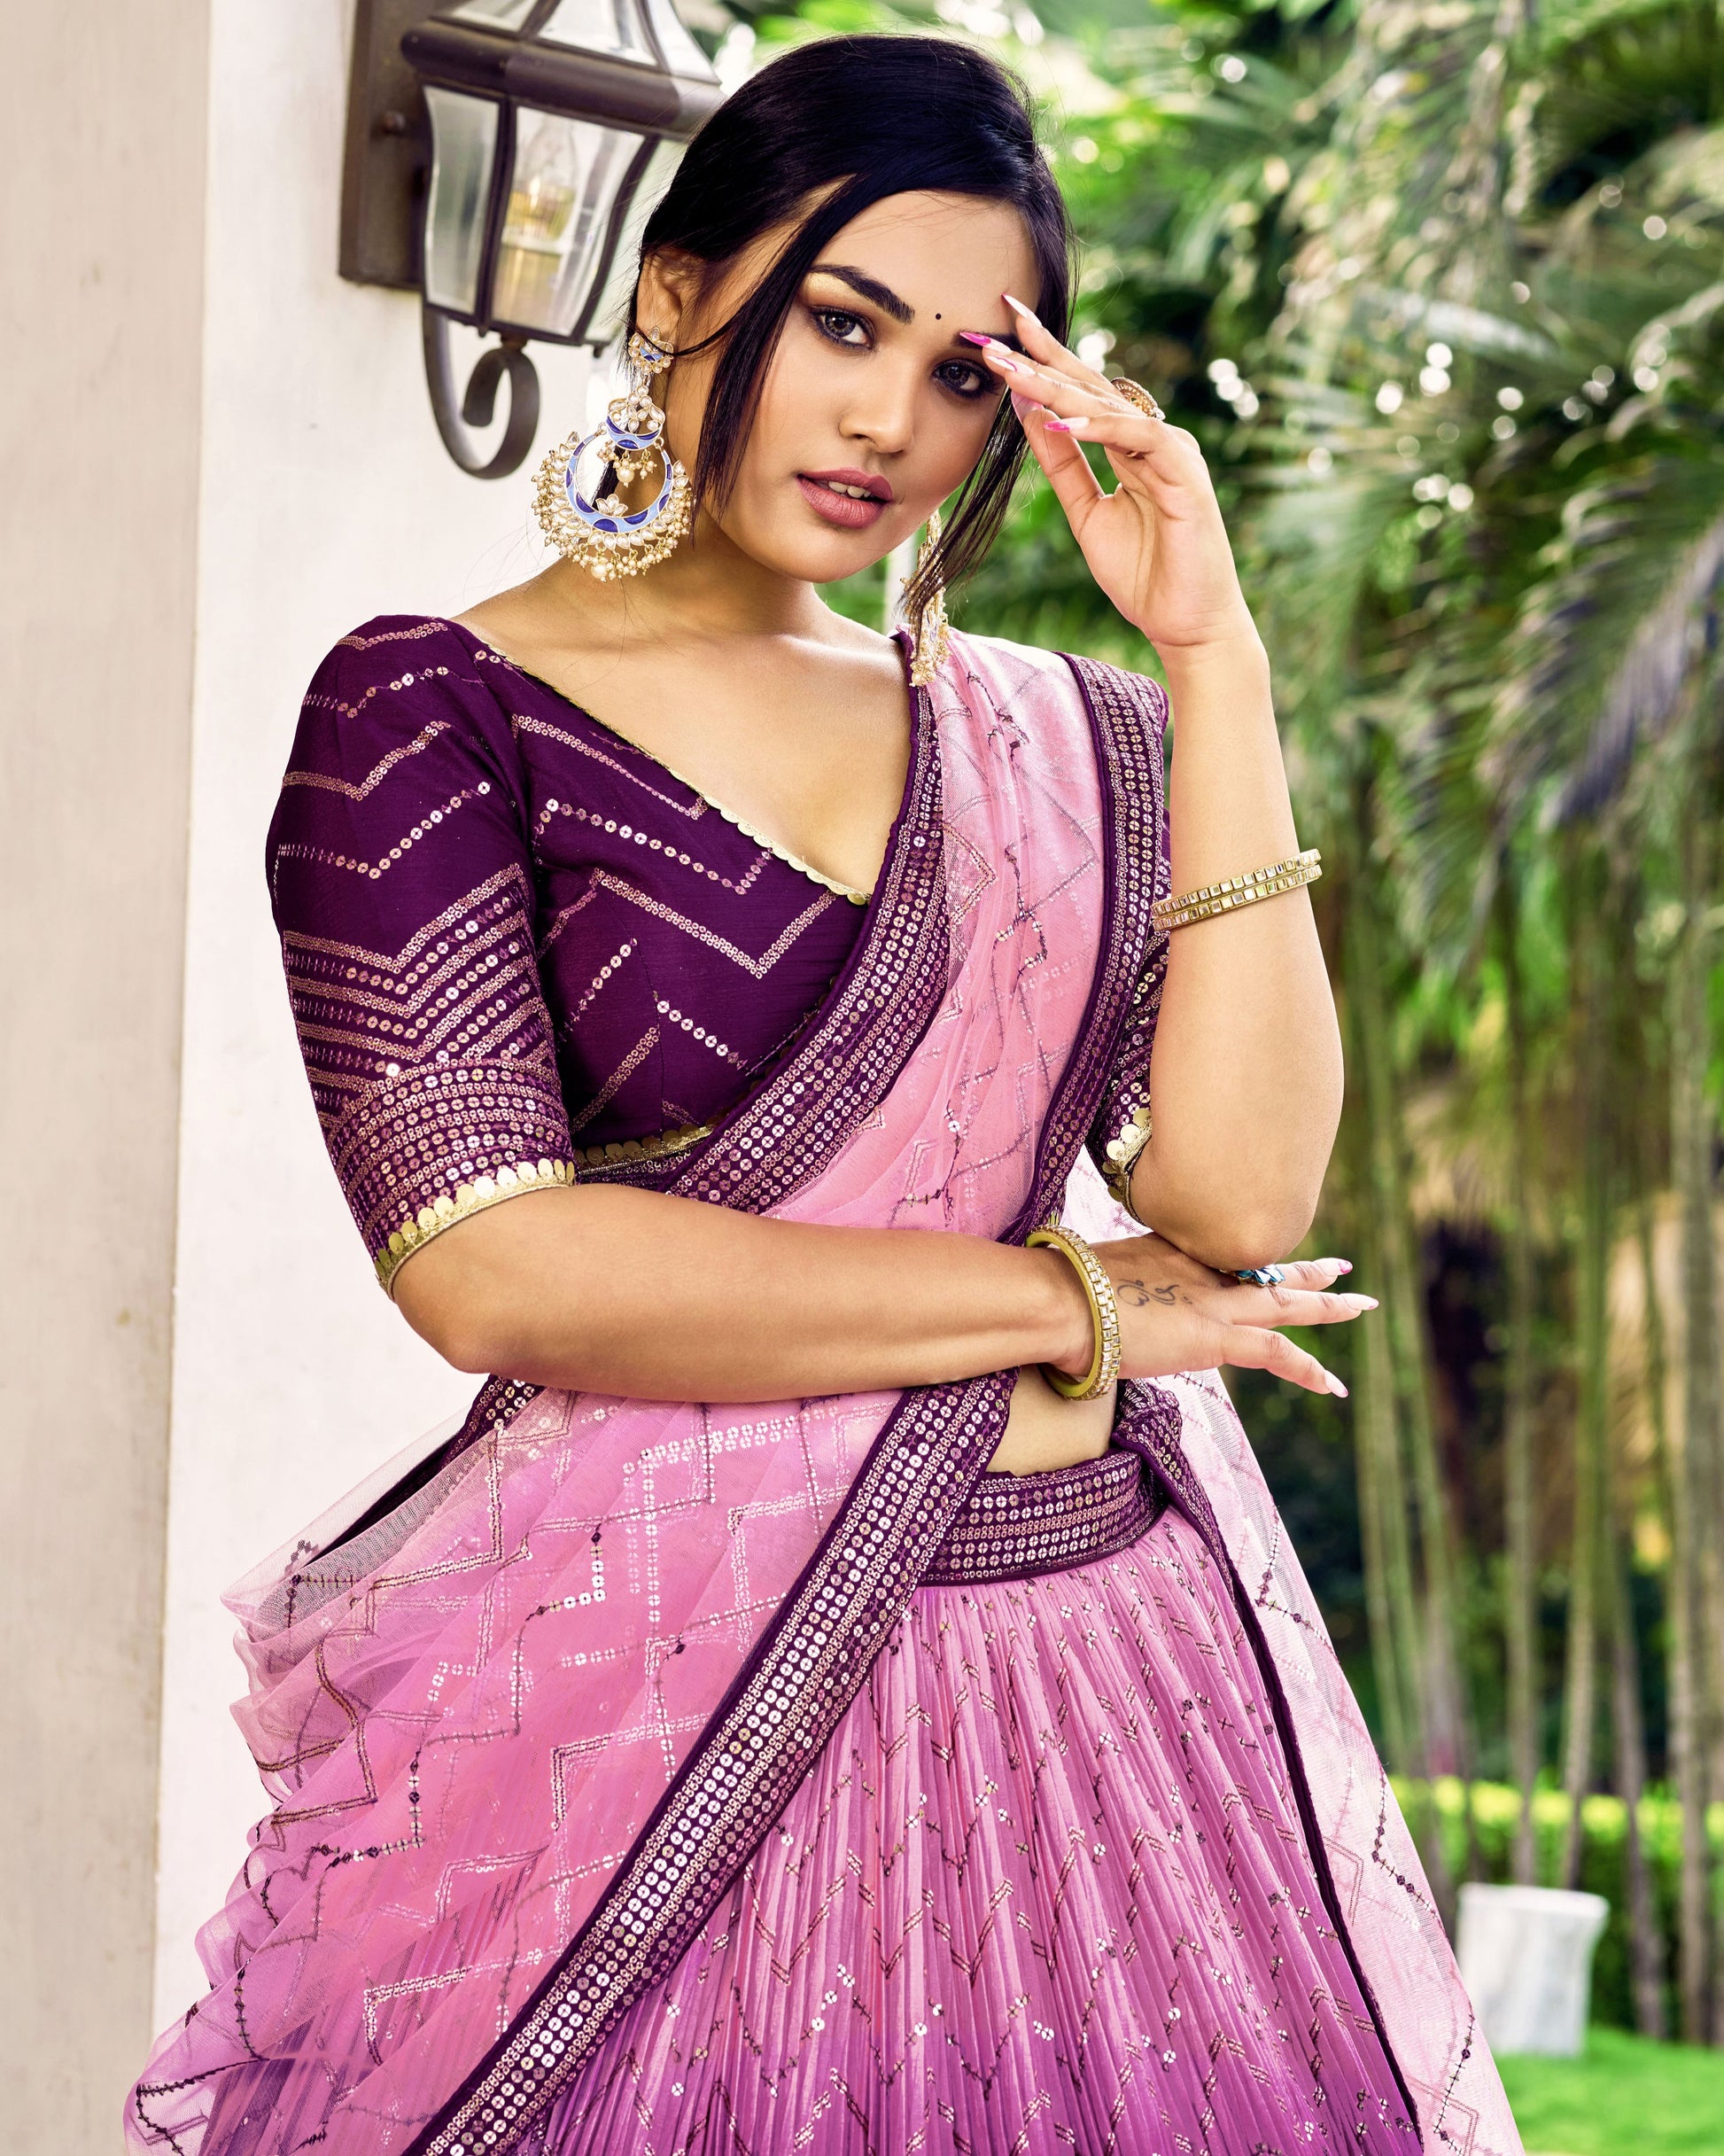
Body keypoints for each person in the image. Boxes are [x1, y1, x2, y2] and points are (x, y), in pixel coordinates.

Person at [128, 34, 1518, 2156]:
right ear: (675, 291)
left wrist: (1214, 655)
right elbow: (503, 1266)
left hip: (1108, 1704)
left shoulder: (1070, 740)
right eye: (843, 320)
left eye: (965, 372)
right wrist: (1066, 1303)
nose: (891, 417)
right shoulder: (433, 708)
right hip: (646, 1748)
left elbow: (1238, 1198)